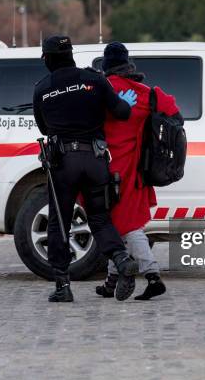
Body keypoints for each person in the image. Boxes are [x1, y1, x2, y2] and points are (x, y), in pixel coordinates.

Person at [33, 35, 140, 302]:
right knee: (100, 219)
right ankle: (121, 259)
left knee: (59, 224)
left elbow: (44, 128)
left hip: (62, 164)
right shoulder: (94, 79)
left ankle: (62, 287)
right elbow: (123, 112)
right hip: (96, 160)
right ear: (71, 54)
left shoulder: (42, 88)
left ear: (47, 59)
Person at [95, 42, 180, 300]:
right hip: (136, 171)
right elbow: (176, 114)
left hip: (107, 169)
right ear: (128, 64)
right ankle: (111, 281)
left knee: (125, 227)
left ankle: (153, 277)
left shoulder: (101, 91)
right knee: (120, 225)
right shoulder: (147, 93)